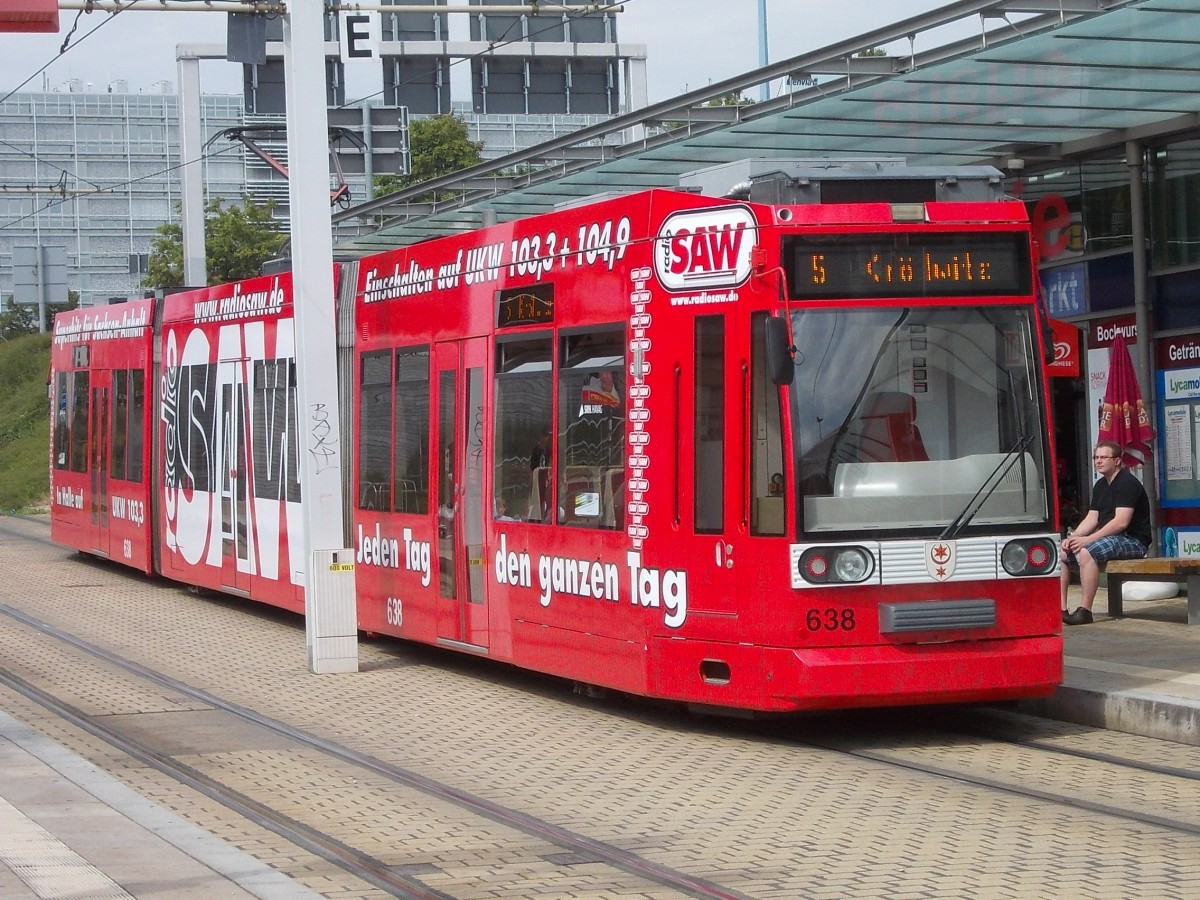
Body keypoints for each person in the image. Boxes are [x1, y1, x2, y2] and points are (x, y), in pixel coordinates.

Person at [1060, 440, 1151, 625]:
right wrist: (1074, 537)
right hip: (1110, 538)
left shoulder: (1127, 482)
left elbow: (1121, 522)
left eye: (1103, 457)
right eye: (1096, 457)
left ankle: (1085, 611)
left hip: (1133, 540)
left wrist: (1088, 540)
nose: (1098, 461)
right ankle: (1060, 609)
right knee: (1060, 553)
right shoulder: (1101, 485)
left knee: (1087, 551)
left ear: (1117, 461)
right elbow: (1092, 518)